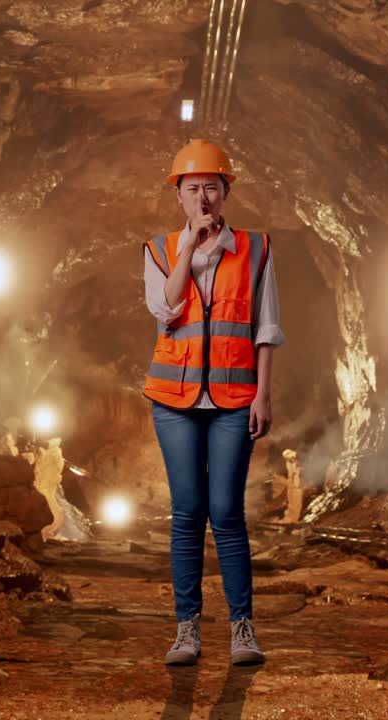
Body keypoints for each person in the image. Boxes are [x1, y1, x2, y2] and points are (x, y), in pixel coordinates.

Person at [142, 138, 284, 667]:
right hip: (173, 400)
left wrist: (263, 396)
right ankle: (187, 631)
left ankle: (242, 629)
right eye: (192, 188)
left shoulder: (257, 248)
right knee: (187, 513)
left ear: (226, 192)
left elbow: (265, 329)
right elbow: (166, 309)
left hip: (232, 399)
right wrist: (189, 247)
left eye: (211, 187)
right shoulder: (159, 251)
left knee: (226, 512)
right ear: (178, 194)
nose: (202, 198)